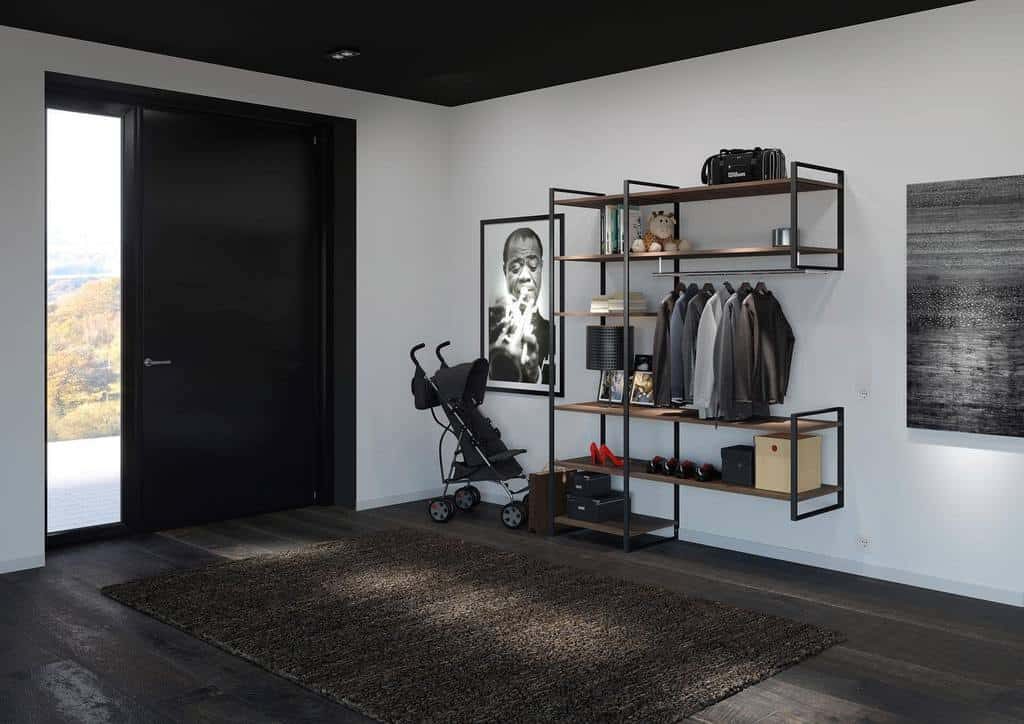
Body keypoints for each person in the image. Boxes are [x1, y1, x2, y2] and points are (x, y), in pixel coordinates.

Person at [488, 227, 552, 384]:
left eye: (532, 265)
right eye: (515, 268)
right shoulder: (489, 325)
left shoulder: (554, 333)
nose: (524, 276)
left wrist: (534, 375)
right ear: (505, 271)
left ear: (542, 267)